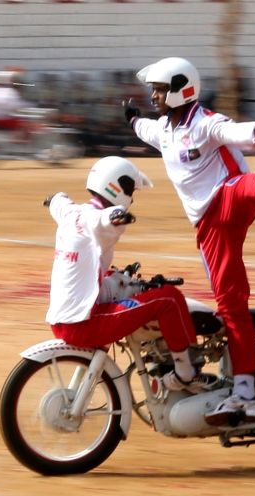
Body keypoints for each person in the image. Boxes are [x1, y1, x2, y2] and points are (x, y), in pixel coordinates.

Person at [123, 57, 255, 426]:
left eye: (160, 89)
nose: (154, 95)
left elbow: (235, 133)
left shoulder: (203, 122)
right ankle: (244, 392)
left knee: (241, 187)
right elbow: (146, 130)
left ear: (183, 88)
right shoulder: (164, 128)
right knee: (230, 304)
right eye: (153, 89)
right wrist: (132, 119)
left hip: (228, 198)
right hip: (210, 227)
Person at [46, 156, 209, 393]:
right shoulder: (98, 218)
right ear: (117, 186)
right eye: (131, 189)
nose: (132, 197)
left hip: (60, 320)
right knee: (169, 298)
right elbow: (101, 220)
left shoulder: (71, 213)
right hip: (83, 325)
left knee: (116, 278)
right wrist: (114, 216)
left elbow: (58, 201)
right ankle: (186, 374)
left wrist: (52, 200)